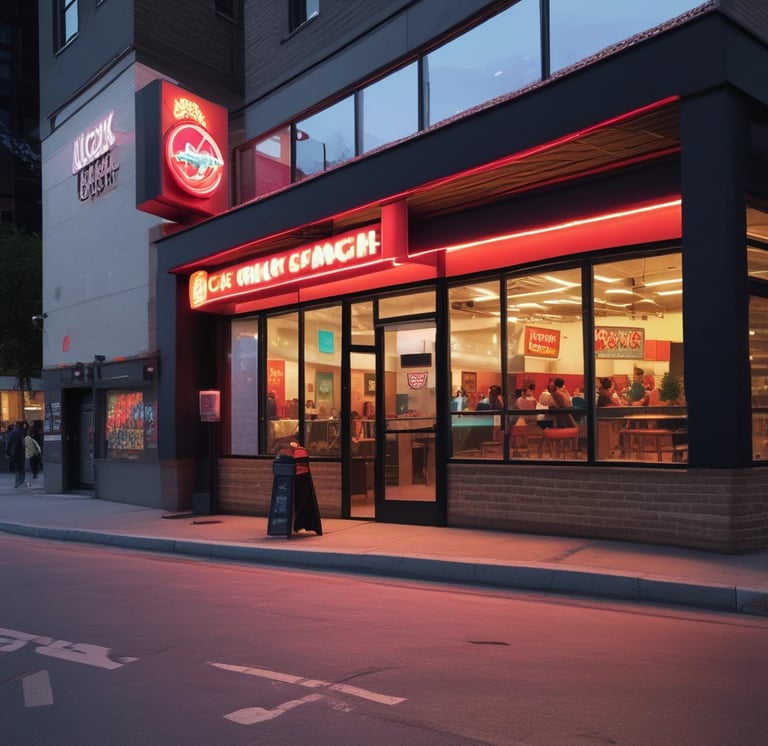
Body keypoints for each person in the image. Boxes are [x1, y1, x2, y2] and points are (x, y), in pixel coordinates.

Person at [5, 421, 25, 488]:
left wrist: (8, 452)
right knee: (21, 467)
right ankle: (20, 480)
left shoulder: (11, 433)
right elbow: (23, 444)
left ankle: (17, 481)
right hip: (20, 453)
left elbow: (8, 444)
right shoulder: (20, 433)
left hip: (14, 453)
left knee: (16, 468)